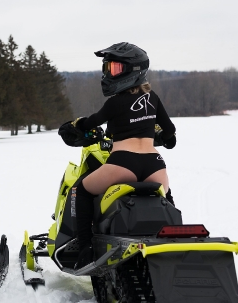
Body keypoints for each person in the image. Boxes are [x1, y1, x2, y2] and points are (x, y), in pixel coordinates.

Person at [69, 42, 177, 269]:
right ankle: (175, 241)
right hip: (155, 164)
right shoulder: (153, 98)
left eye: (115, 69)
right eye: (108, 68)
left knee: (81, 189)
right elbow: (169, 132)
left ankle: (85, 247)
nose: (109, 73)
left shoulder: (115, 102)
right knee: (166, 199)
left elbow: (90, 123)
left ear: (133, 71)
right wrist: (164, 137)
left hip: (123, 162)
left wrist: (75, 125)